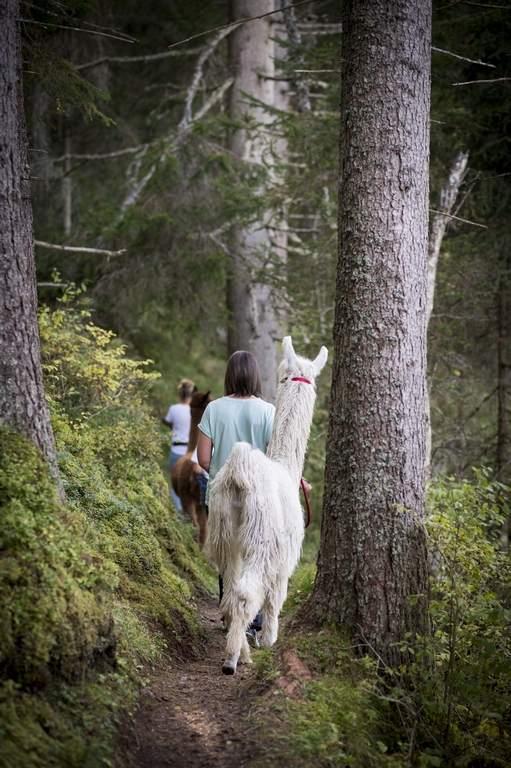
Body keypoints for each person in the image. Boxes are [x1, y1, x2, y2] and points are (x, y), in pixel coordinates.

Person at [197, 350, 275, 645]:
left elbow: (203, 458)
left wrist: (221, 471)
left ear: (229, 375)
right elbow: (275, 458)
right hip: (258, 497)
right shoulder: (268, 411)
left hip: (222, 496)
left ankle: (230, 617)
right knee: (255, 557)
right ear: (255, 376)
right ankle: (252, 623)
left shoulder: (213, 409)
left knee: (227, 556)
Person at [162, 378, 196, 511]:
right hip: (191, 452)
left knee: (175, 482)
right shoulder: (194, 410)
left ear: (180, 393)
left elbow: (168, 422)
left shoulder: (173, 409)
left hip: (176, 450)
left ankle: (178, 511)